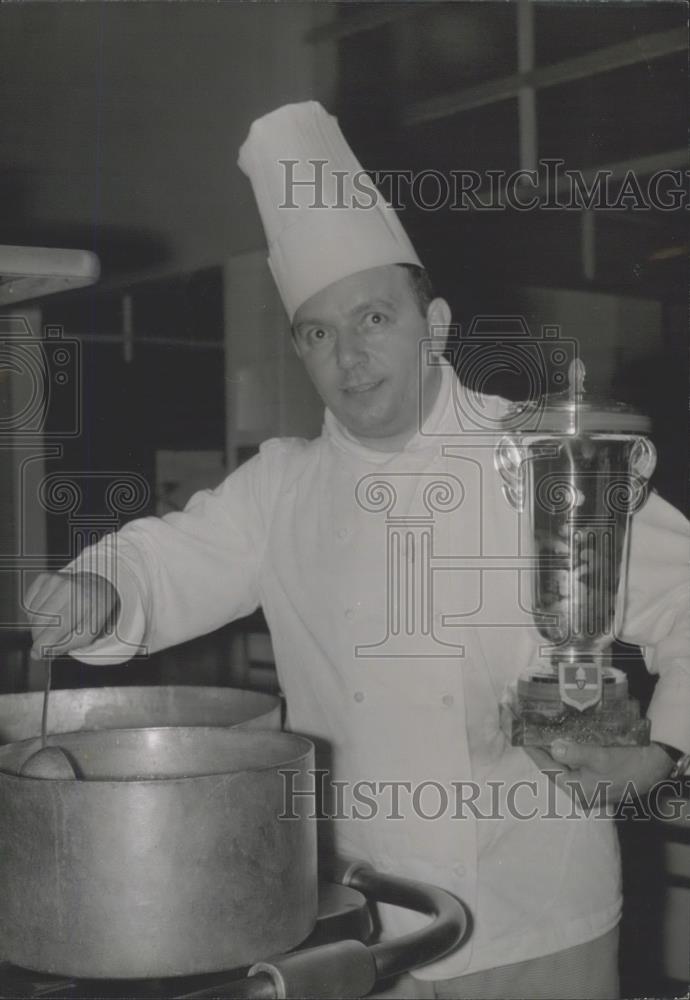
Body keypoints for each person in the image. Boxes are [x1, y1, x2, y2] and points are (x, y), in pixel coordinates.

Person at [26, 103, 690, 999]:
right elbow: (166, 559)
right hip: (361, 922)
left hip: (539, 918)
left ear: (439, 324)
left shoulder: (548, 457)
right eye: (318, 332)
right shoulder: (282, 488)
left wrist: (661, 756)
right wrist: (99, 588)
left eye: (374, 317)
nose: (349, 355)